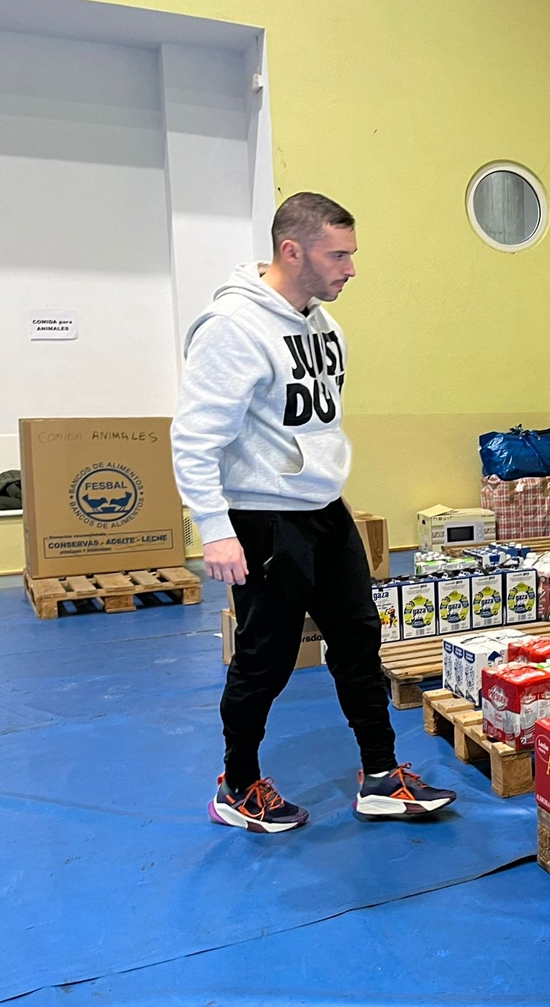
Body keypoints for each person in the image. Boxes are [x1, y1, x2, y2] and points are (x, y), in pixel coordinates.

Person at [172, 192, 456, 834]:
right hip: (263, 522)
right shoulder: (233, 330)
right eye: (339, 254)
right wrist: (214, 531)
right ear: (292, 251)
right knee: (264, 660)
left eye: (351, 253)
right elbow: (194, 438)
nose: (351, 267)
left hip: (325, 513)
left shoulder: (325, 327)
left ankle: (381, 776)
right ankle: (237, 785)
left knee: (359, 639)